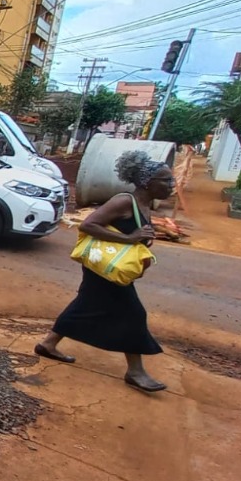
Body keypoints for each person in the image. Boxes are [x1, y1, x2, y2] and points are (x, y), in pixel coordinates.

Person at [35, 150, 176, 393]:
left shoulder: (144, 204)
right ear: (146, 181)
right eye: (166, 180)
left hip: (112, 270)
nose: (171, 185)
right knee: (134, 313)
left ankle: (48, 344)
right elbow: (88, 224)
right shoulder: (124, 201)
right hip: (103, 268)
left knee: (85, 304)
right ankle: (135, 371)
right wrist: (130, 238)